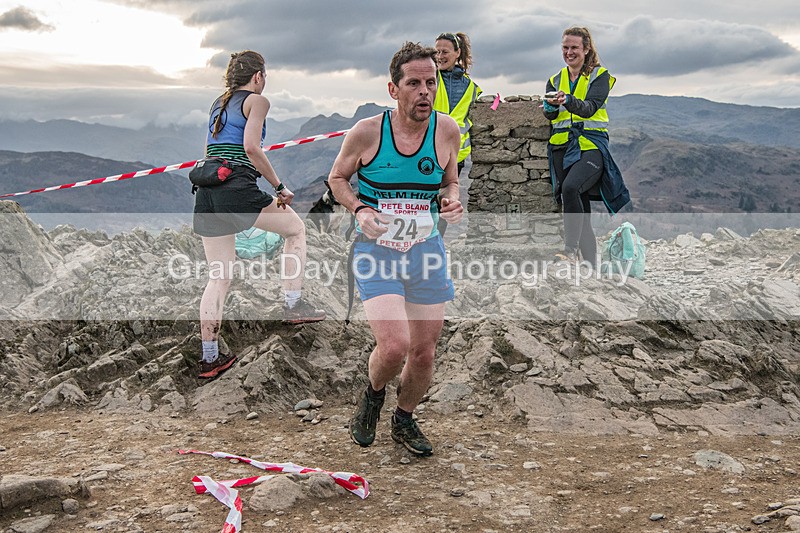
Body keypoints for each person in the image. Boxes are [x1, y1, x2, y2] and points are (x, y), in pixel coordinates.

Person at [328, 41, 463, 456]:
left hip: (426, 249)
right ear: (394, 89)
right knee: (393, 346)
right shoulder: (368, 132)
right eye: (414, 83)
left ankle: (404, 419)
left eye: (431, 82)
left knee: (423, 353)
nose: (425, 91)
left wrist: (451, 198)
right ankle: (372, 396)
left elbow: (449, 179)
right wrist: (361, 209)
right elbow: (336, 180)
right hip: (377, 250)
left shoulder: (447, 130)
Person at [193, 50, 325, 379]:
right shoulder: (257, 102)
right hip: (237, 187)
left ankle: (210, 357)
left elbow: (212, 150)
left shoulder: (218, 104)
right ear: (258, 77)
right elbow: (252, 147)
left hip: (207, 189)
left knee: (219, 276)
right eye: (264, 76)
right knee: (295, 231)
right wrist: (279, 187)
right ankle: (293, 305)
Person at [542, 27, 630, 267]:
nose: (569, 52)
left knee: (571, 188)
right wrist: (549, 108)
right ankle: (591, 269)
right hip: (561, 146)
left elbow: (590, 107)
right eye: (565, 48)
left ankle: (569, 251)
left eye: (574, 48)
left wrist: (567, 100)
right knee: (581, 208)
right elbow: (551, 116)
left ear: (586, 49)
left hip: (591, 145)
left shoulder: (600, 76)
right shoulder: (554, 79)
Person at [433, 32, 481, 236]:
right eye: (436, 52)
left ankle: (436, 246)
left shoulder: (472, 88)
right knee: (423, 202)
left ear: (457, 53)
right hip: (428, 150)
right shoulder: (430, 78)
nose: (439, 56)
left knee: (445, 202)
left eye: (444, 51)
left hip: (455, 155)